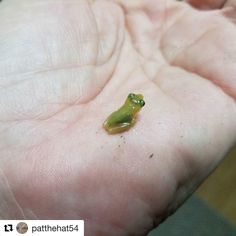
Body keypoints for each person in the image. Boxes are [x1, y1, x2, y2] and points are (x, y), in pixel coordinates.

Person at [0, 0, 235, 235]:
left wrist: (13, 218)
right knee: (121, 121)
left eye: (139, 102)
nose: (137, 103)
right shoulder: (133, 112)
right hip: (112, 123)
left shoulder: (129, 107)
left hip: (24, 213)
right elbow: (125, 119)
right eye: (137, 100)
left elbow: (20, 229)